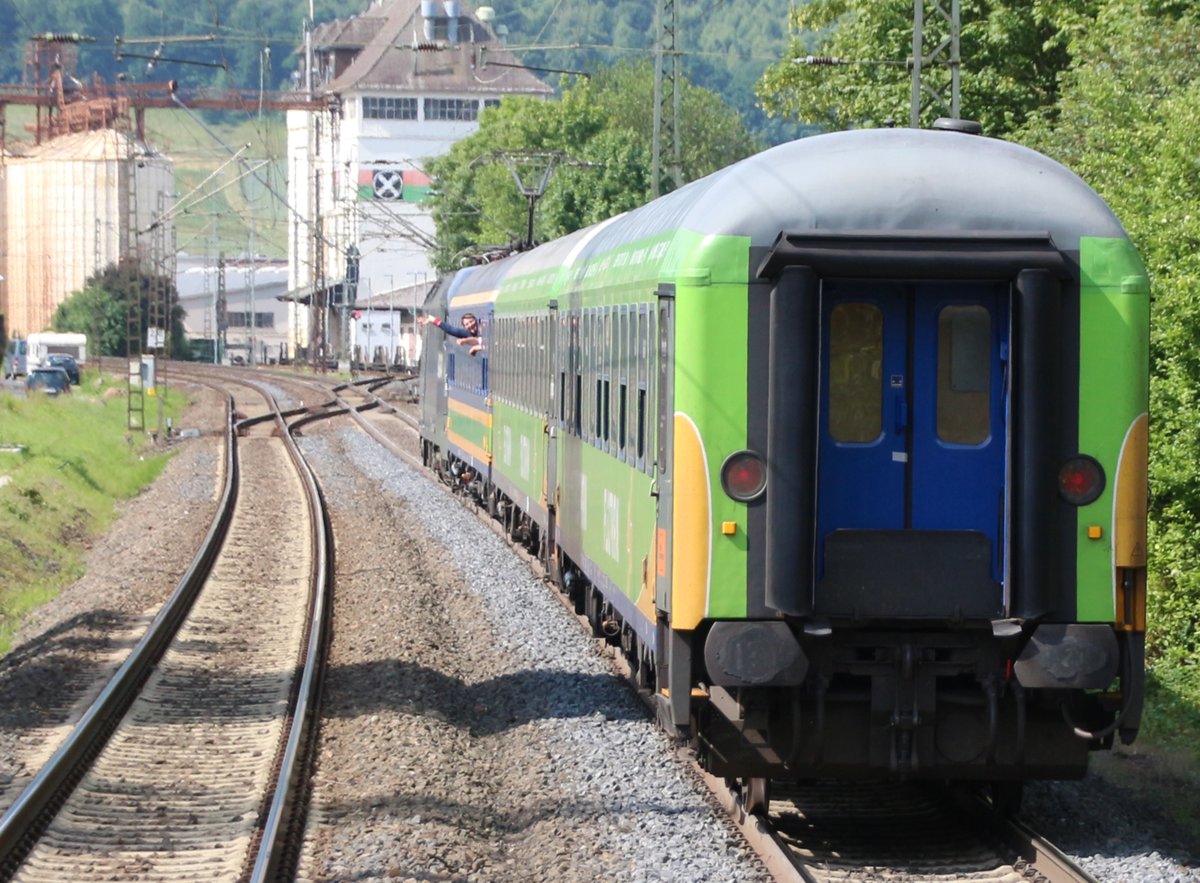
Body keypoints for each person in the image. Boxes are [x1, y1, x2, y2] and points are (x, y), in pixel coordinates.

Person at [419, 312, 484, 356]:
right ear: (464, 327)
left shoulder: (484, 326)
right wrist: (433, 320)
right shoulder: (469, 333)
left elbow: (484, 343)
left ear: (475, 320)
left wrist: (475, 347)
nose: (470, 325)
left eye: (471, 321)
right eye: (467, 324)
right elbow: (451, 330)